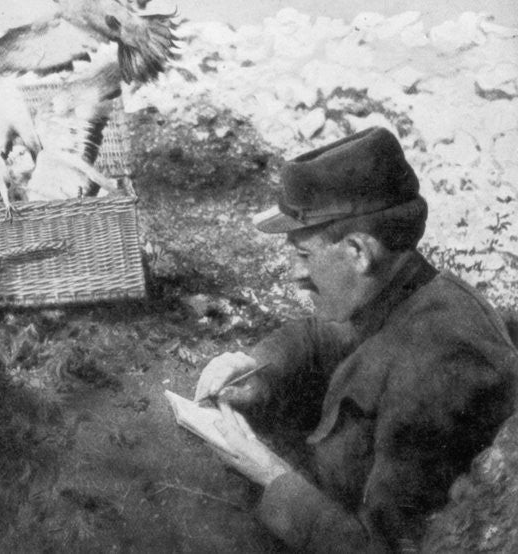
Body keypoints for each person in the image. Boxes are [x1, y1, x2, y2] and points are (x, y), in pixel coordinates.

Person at [193, 127, 518, 553]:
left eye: (304, 255)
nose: (294, 274)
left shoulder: (436, 371)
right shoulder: (400, 290)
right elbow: (319, 336)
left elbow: (385, 548)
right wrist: (258, 371)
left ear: (358, 252)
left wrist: (271, 475)